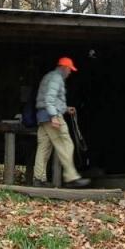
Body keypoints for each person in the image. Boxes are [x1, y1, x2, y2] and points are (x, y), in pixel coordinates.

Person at [33, 57, 91, 188]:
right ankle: (71, 177)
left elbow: (48, 98)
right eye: (70, 70)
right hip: (51, 116)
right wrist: (54, 115)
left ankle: (38, 179)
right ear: (64, 68)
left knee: (43, 148)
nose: (70, 73)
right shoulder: (56, 79)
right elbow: (49, 98)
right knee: (66, 144)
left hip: (42, 116)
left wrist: (65, 108)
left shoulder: (49, 77)